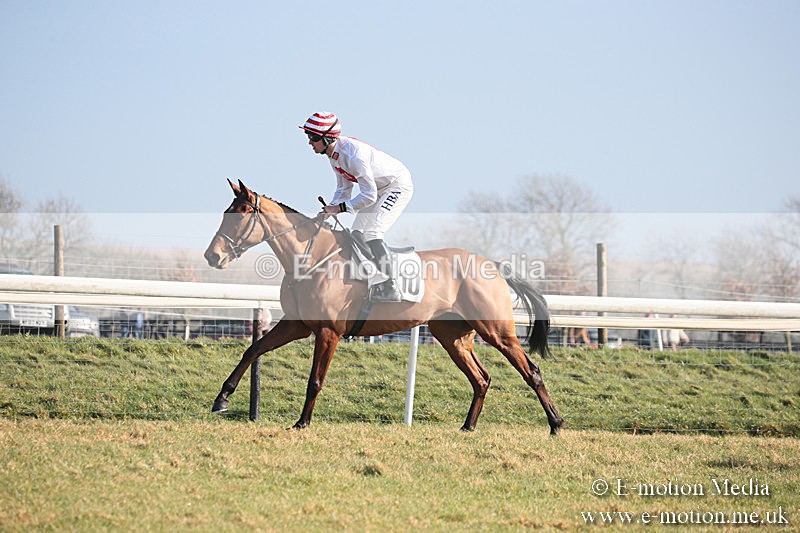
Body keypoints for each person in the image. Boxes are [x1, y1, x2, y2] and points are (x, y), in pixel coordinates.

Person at [300, 111, 414, 303]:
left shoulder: (354, 156)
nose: (310, 142)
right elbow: (344, 188)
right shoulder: (333, 156)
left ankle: (392, 286)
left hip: (396, 186)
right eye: (308, 136)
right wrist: (330, 208)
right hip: (378, 189)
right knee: (357, 233)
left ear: (327, 138)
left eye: (313, 137)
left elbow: (368, 196)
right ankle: (375, 278)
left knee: (372, 233)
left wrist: (340, 208)